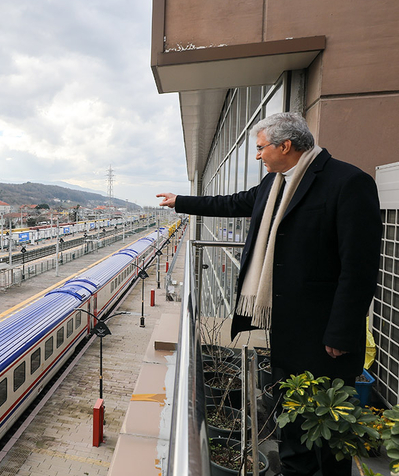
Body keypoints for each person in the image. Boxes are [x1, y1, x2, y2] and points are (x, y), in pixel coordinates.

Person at [157, 112, 381, 476]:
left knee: (327, 433)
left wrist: (340, 333)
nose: (258, 156)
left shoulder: (348, 182)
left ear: (285, 146)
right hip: (285, 328)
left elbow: (359, 270)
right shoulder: (274, 184)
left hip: (326, 336)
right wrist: (181, 200)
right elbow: (232, 204)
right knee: (290, 418)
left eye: (261, 148)